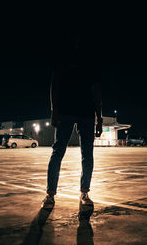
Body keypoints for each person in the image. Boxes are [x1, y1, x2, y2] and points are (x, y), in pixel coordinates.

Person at [42, 34, 102, 209]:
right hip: (66, 111)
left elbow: (97, 90)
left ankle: (85, 192)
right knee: (58, 151)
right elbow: (55, 83)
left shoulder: (92, 61)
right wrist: (54, 111)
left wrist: (99, 117)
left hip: (87, 113)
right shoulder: (64, 57)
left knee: (87, 154)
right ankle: (50, 195)